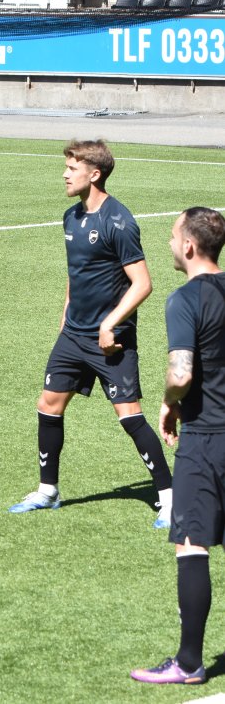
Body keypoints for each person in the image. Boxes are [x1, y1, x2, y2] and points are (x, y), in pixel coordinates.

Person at [9, 139, 173, 529]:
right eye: (66, 167)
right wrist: (66, 312)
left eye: (72, 168)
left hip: (110, 340)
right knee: (48, 404)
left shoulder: (119, 221)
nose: (65, 174)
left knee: (129, 416)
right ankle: (48, 490)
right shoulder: (71, 217)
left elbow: (142, 284)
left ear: (94, 174)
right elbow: (77, 271)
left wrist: (109, 323)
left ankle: (170, 499)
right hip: (73, 335)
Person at [131, 207, 225, 686]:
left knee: (192, 545)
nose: (168, 243)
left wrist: (169, 402)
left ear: (189, 246)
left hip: (207, 436)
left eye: (171, 236)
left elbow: (181, 373)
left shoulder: (185, 299)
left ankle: (189, 663)